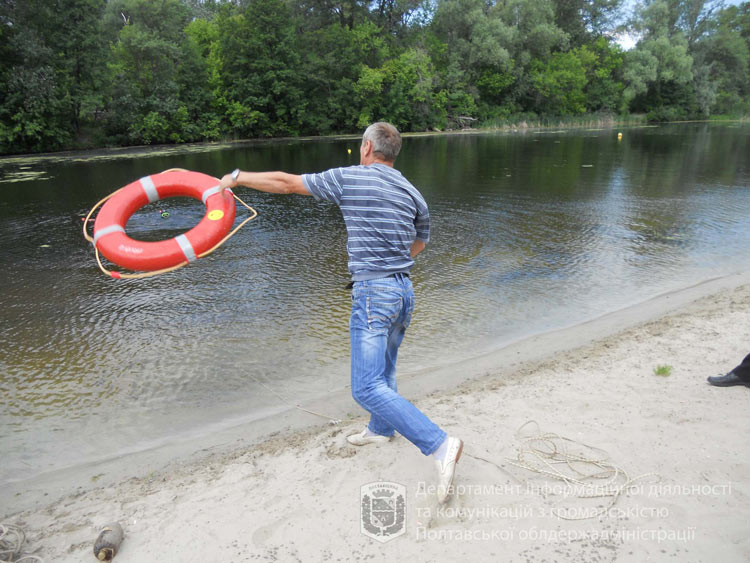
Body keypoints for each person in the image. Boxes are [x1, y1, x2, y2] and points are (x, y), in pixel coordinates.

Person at [218, 122, 463, 504]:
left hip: (375, 294)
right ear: (392, 153)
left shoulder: (351, 178)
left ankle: (440, 444)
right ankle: (381, 430)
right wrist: (392, 260)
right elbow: (422, 240)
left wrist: (237, 177)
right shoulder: (411, 190)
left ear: (366, 148)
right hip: (404, 292)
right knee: (385, 370)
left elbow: (286, 183)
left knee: (366, 386)